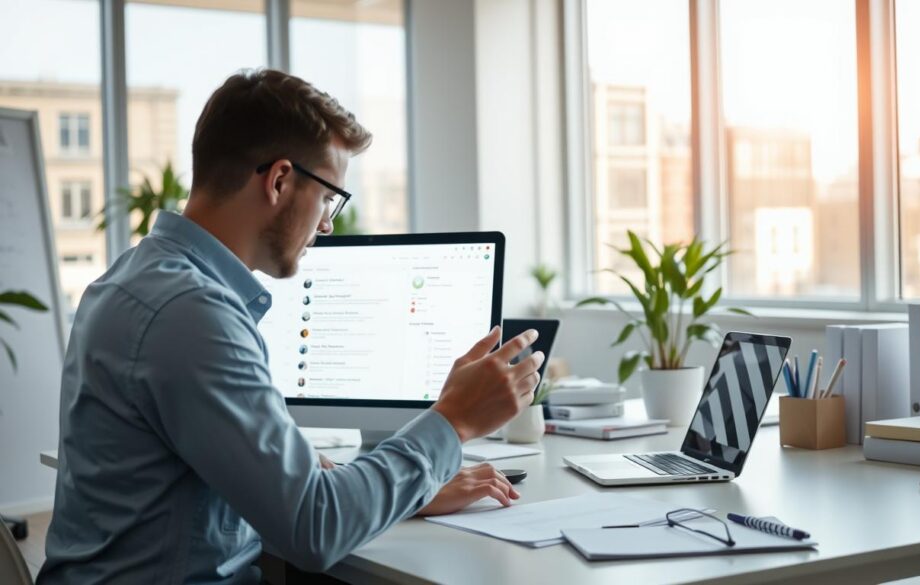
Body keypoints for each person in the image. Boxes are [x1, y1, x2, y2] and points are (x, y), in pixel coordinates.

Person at [37, 69, 543, 584]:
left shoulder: (137, 278)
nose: (327, 223)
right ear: (279, 180)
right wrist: (453, 420)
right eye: (328, 197)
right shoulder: (192, 314)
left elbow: (261, 471)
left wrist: (401, 485)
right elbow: (314, 528)